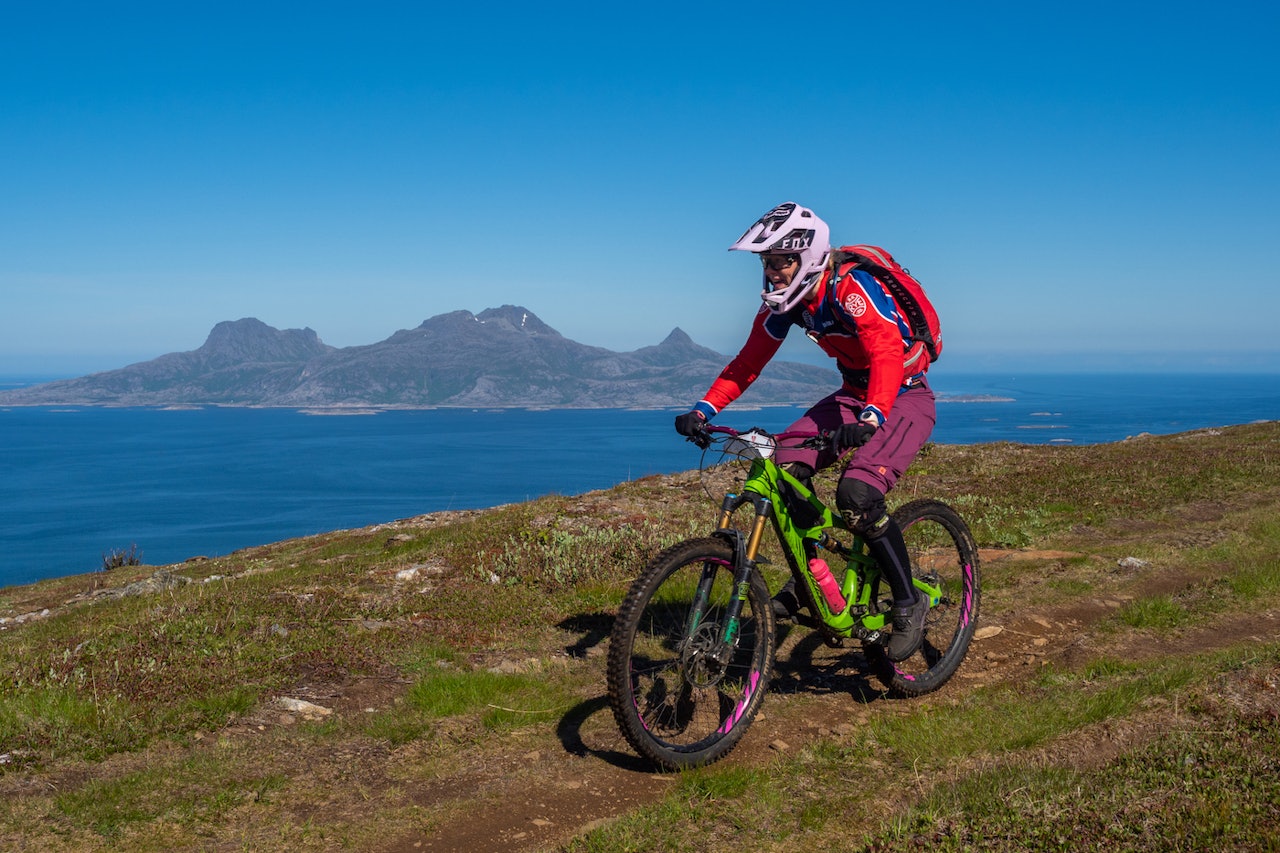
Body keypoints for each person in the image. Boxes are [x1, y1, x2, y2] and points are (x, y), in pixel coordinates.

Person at [674, 201, 937, 662]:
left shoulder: (851, 288)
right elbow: (747, 362)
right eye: (766, 263)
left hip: (903, 396)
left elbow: (886, 352)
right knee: (785, 471)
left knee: (857, 495)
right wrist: (703, 408)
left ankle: (908, 602)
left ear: (808, 257)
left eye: (780, 262)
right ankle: (808, 580)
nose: (772, 272)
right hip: (854, 394)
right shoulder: (789, 304)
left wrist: (872, 417)